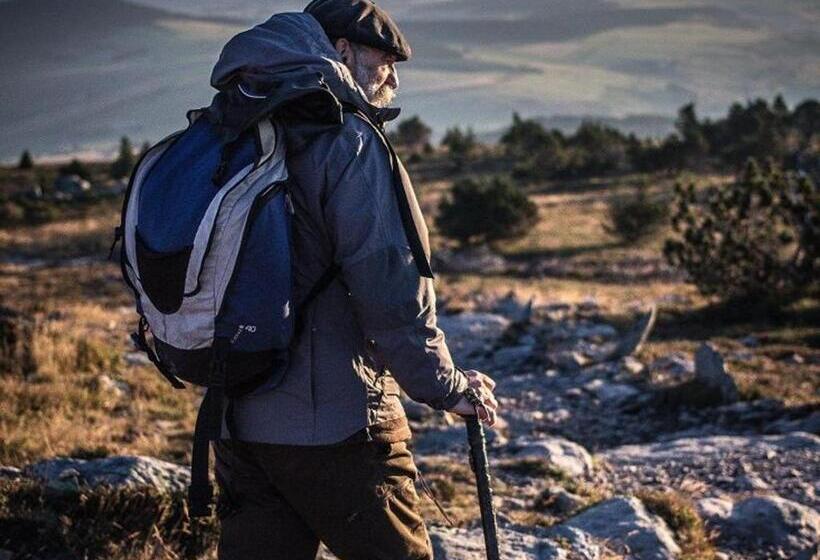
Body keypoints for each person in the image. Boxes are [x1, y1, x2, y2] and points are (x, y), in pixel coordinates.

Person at [208, 1, 499, 558]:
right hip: (338, 428)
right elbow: (391, 292)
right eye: (384, 59)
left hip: (235, 420)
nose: (393, 75)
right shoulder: (348, 140)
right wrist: (448, 387)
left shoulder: (231, 131)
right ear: (340, 52)